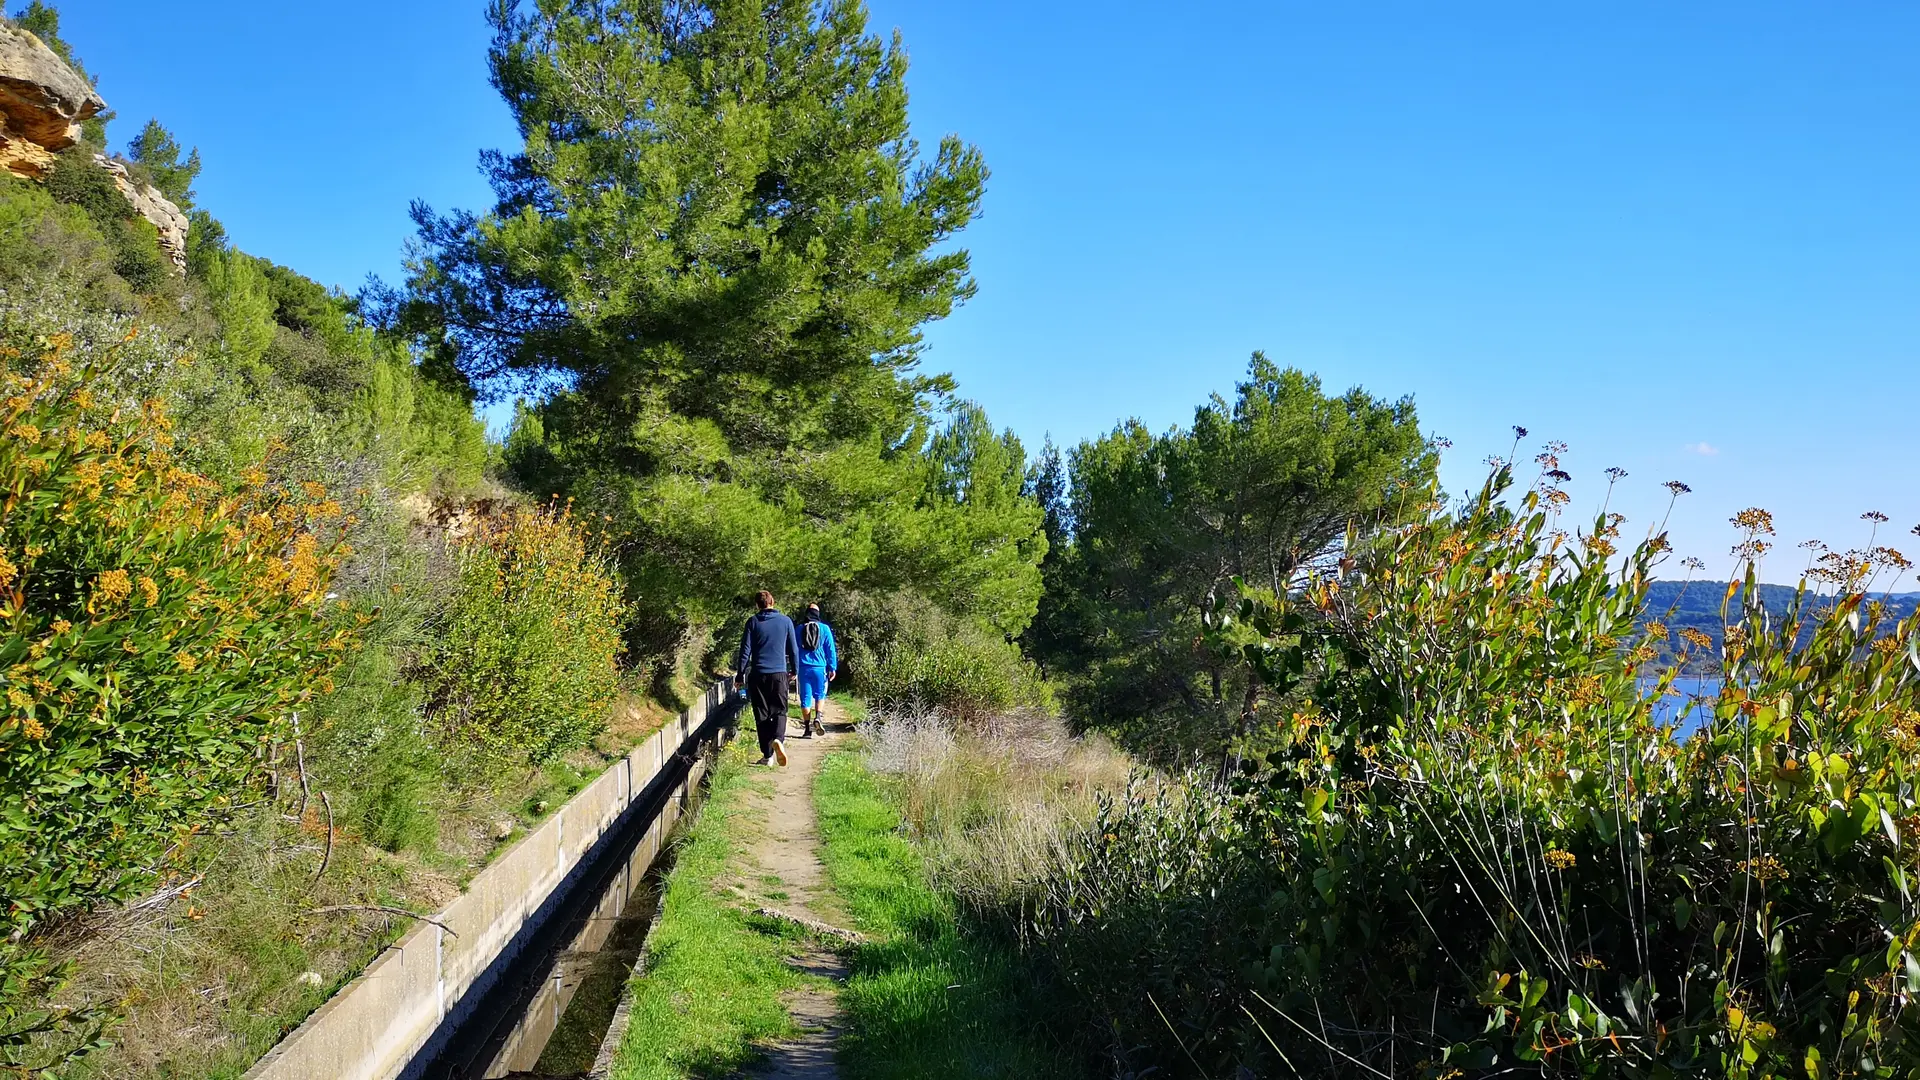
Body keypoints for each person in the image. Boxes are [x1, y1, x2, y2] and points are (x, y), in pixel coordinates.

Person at [735, 590, 799, 767]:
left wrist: (740, 675)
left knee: (761, 714)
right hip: (779, 674)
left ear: (757, 605)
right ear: (773, 601)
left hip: (758, 675)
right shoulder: (786, 621)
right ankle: (778, 739)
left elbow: (745, 651)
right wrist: (794, 670)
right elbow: (793, 649)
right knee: (779, 710)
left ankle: (767, 755)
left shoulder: (753, 622)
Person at [795, 603, 838, 738]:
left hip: (803, 667)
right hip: (820, 668)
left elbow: (793, 649)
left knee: (805, 698)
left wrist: (792, 668)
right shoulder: (825, 629)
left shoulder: (799, 629)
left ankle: (807, 730)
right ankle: (818, 716)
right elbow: (830, 650)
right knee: (820, 695)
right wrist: (832, 667)